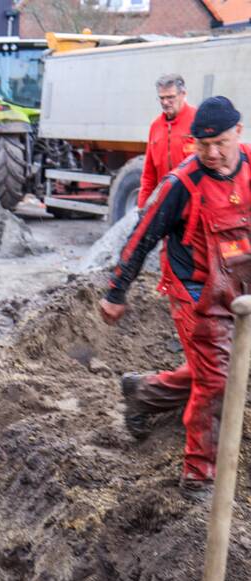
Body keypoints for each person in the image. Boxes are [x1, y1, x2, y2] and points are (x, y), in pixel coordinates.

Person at [100, 96, 249, 500]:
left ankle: (143, 393)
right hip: (194, 294)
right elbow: (142, 235)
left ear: (238, 131)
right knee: (217, 379)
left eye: (219, 143)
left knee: (220, 369)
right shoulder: (182, 183)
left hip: (238, 287)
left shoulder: (250, 166)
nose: (213, 154)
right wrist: (117, 290)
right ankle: (198, 475)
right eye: (203, 146)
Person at [139, 74, 197, 209]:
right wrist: (142, 208)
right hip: (166, 205)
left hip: (193, 204)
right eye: (161, 98)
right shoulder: (155, 126)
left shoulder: (198, 120)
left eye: (170, 97)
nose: (165, 102)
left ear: (183, 94)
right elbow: (149, 175)